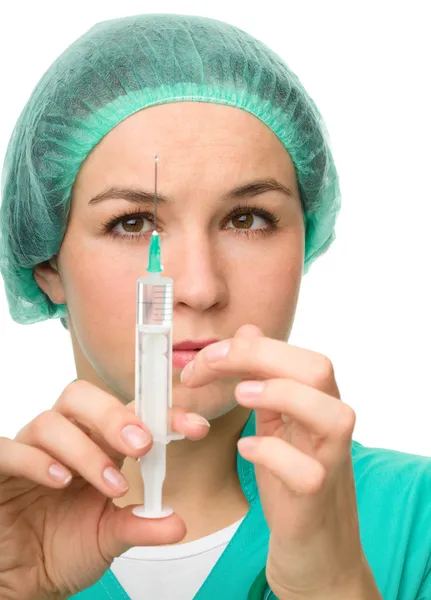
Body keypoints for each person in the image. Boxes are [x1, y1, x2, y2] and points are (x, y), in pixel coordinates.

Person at [0, 12, 429, 600]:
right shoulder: (6, 539)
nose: (199, 288)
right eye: (132, 222)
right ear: (45, 263)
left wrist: (334, 585)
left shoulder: (413, 521)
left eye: (247, 219)